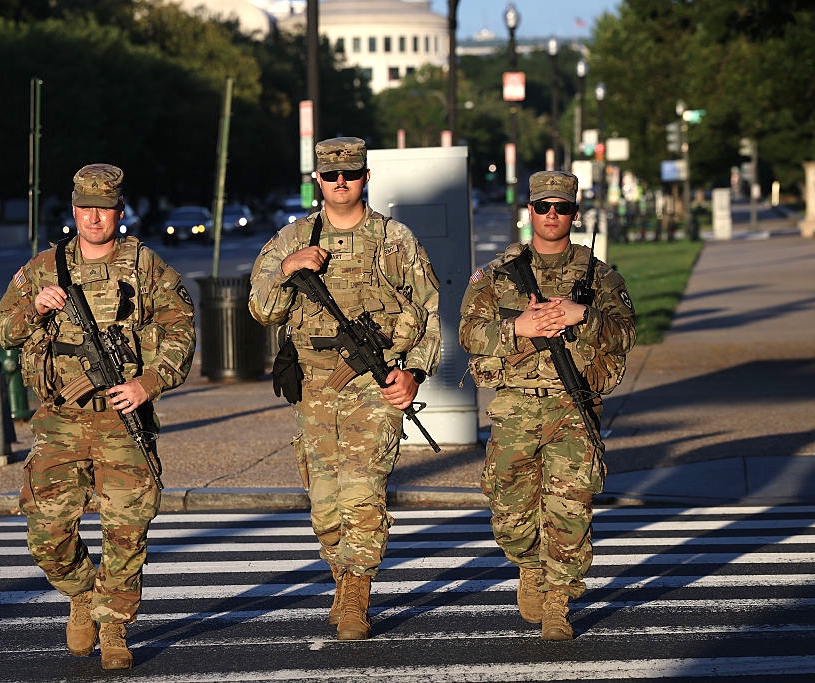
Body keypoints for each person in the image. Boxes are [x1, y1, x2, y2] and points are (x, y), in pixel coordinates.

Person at [0, 163, 195, 669]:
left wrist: (147, 383)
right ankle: (82, 594)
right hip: (60, 420)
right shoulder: (44, 267)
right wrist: (35, 308)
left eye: (104, 209)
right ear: (74, 210)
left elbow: (181, 329)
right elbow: (4, 330)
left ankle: (114, 626)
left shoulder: (145, 266)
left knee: (127, 530)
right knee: (46, 530)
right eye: (86, 208)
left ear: (119, 212)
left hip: (122, 420)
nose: (94, 218)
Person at [249, 137, 441, 640]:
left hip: (372, 389)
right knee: (324, 506)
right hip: (315, 389)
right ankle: (341, 576)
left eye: (350, 175)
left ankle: (357, 592)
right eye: (331, 176)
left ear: (365, 178)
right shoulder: (289, 241)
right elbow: (262, 310)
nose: (341, 183)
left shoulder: (394, 240)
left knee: (362, 494)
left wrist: (412, 373)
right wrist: (289, 271)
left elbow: (427, 312)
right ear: (317, 181)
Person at [458, 170, 636, 640]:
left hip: (573, 408)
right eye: (543, 207)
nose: (552, 215)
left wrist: (585, 316)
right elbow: (468, 334)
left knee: (570, 509)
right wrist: (518, 327)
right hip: (515, 408)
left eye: (561, 207)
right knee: (510, 512)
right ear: (530, 211)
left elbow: (625, 334)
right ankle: (529, 565)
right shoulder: (497, 275)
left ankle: (558, 601)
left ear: (574, 214)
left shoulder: (600, 276)